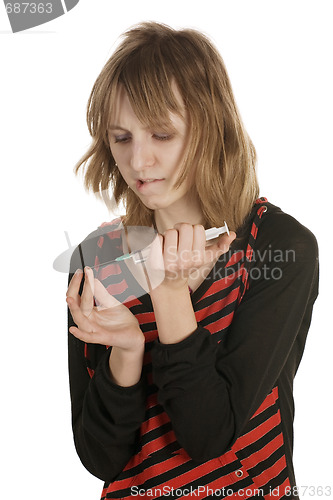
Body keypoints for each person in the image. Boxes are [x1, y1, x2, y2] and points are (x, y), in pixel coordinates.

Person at [66, 22, 319, 500]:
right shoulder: (98, 259)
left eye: (161, 134)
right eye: (122, 138)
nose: (139, 162)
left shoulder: (280, 248)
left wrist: (167, 290)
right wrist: (127, 356)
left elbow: (208, 436)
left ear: (209, 127)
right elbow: (101, 459)